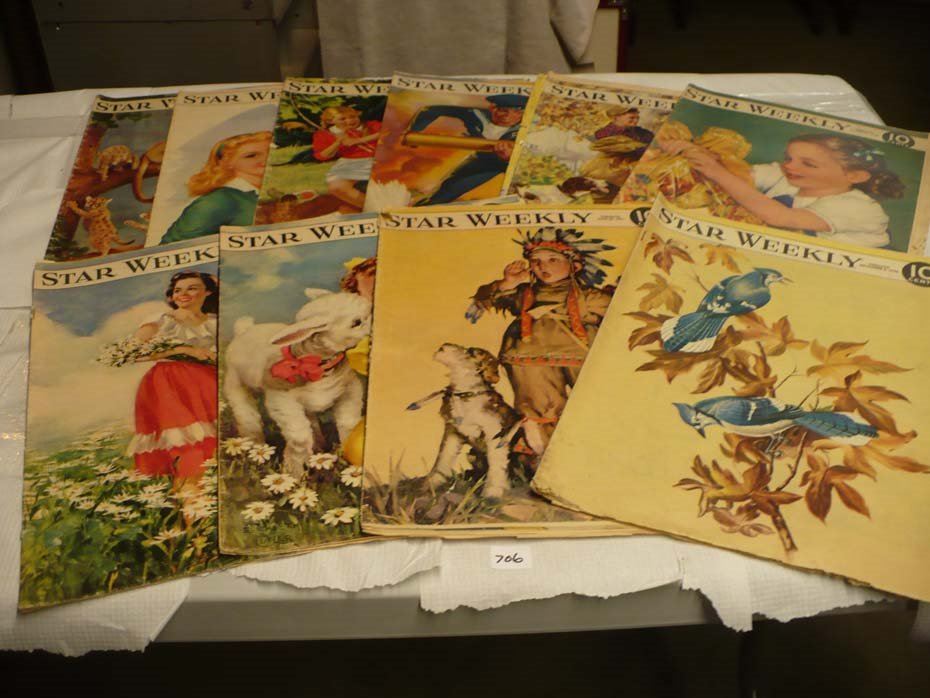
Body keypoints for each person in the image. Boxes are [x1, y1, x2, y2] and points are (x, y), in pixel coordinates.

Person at [467, 228, 614, 456]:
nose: (543, 266)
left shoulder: (588, 297)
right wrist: (508, 282)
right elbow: (485, 298)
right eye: (535, 261)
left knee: (595, 404)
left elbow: (624, 312)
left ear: (574, 265)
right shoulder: (524, 293)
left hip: (580, 357)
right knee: (539, 413)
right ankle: (545, 460)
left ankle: (596, 456)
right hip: (529, 359)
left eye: (553, 260)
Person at [661, 132, 905, 248]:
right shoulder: (787, 175)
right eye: (789, 158)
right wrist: (691, 150)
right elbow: (737, 176)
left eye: (808, 164)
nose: (790, 166)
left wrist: (716, 171)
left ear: (854, 176)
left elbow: (779, 216)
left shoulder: (860, 207)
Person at [126, 271, 218, 482]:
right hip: (169, 384)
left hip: (207, 383)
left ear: (208, 292)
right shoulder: (161, 319)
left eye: (192, 288)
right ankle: (189, 493)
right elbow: (131, 353)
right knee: (187, 444)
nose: (183, 294)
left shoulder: (214, 322)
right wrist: (185, 350)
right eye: (178, 290)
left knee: (213, 442)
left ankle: (206, 495)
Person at [407, 93, 528, 205]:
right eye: (503, 110)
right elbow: (431, 110)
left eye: (517, 112)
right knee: (448, 190)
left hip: (519, 164)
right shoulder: (475, 115)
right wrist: (415, 130)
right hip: (485, 161)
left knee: (525, 196)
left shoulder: (527, 127)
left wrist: (510, 158)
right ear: (493, 108)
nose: (509, 116)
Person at [161, 131, 272, 244]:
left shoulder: (269, 193)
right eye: (251, 156)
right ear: (227, 162)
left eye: (271, 151)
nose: (267, 158)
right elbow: (173, 246)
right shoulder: (220, 200)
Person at [312, 106, 382, 210]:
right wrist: (337, 143)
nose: (350, 121)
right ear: (331, 121)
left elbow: (390, 132)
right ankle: (375, 208)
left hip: (379, 159)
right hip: (351, 163)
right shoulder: (326, 134)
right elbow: (321, 156)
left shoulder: (372, 125)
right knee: (336, 187)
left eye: (352, 116)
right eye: (342, 119)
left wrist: (357, 141)